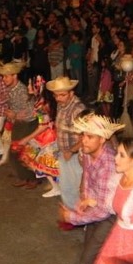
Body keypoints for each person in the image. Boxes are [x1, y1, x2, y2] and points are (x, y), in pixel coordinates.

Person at [58, 113, 123, 264]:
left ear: (102, 139)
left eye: (89, 137)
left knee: (88, 262)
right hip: (95, 209)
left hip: (110, 215)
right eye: (83, 135)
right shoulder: (87, 153)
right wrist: (83, 198)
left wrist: (72, 217)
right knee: (95, 260)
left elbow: (105, 209)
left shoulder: (110, 164)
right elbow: (86, 176)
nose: (83, 141)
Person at [47, 76, 86, 210]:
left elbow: (86, 136)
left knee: (77, 187)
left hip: (75, 154)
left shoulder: (78, 109)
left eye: (62, 95)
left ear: (71, 93)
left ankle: (80, 215)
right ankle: (71, 214)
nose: (58, 98)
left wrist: (71, 151)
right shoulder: (61, 104)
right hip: (65, 152)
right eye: (56, 95)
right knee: (65, 185)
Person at [0, 61, 38, 187]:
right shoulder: (11, 88)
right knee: (16, 150)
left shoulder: (22, 90)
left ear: (15, 76)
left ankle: (32, 178)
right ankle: (24, 176)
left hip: (27, 123)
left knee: (20, 150)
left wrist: (14, 114)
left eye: (6, 76)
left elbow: (32, 112)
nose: (4, 79)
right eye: (3, 76)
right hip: (18, 122)